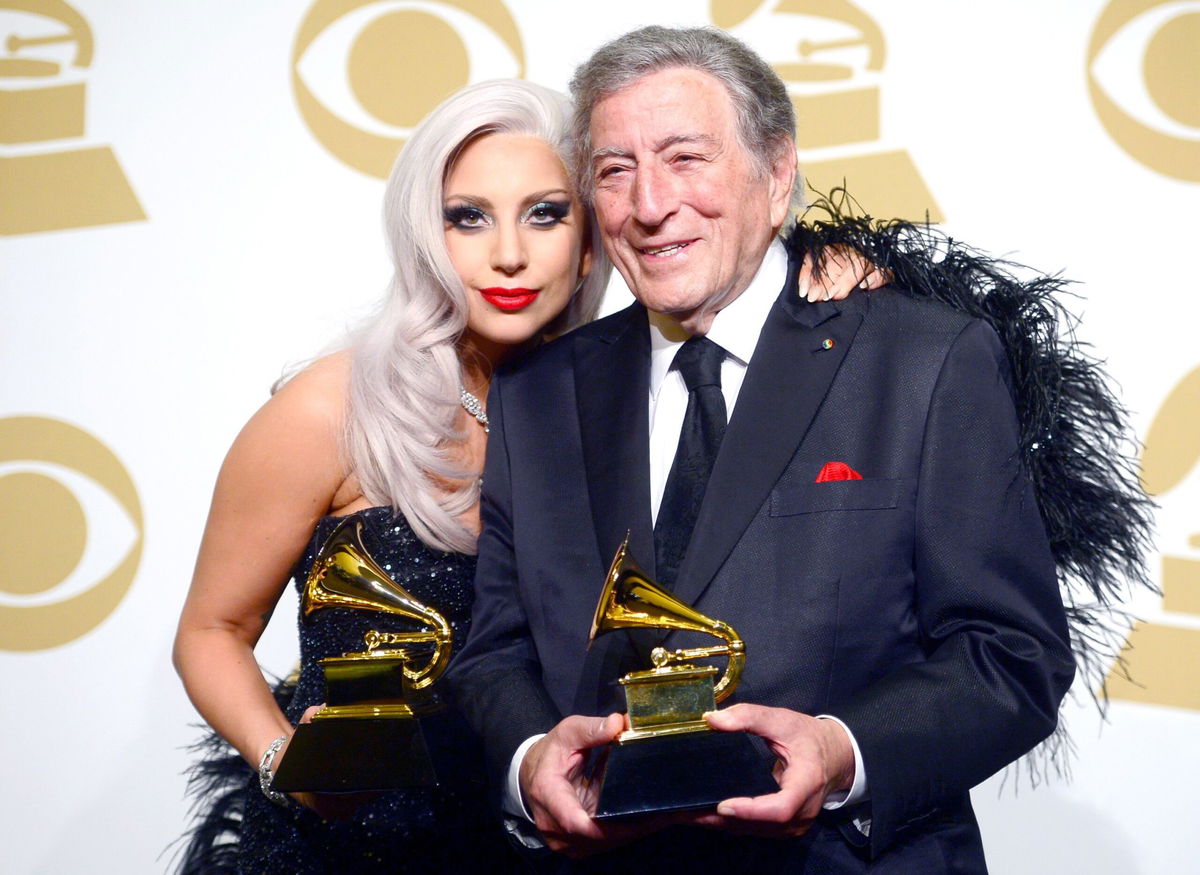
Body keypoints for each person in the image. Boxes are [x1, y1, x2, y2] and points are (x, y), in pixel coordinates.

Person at [172, 76, 876, 873]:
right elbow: (210, 631)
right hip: (360, 847)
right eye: (466, 217)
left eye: (545, 213)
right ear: (422, 238)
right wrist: (284, 765)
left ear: (592, 240)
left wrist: (824, 273)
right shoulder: (329, 409)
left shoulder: (616, 395)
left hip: (547, 840)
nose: (508, 252)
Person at [447, 27, 1085, 872]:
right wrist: (530, 763)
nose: (650, 203)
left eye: (686, 158)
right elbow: (495, 651)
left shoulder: (927, 360)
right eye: (614, 170)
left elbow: (1011, 654)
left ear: (777, 174)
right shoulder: (535, 394)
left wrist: (840, 750)